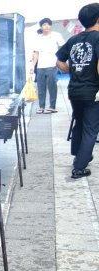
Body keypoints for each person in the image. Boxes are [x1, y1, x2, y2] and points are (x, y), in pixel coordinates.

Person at [56, 3, 99, 179]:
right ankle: (79, 167)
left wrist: (72, 70)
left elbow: (59, 60)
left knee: (79, 123)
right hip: (92, 91)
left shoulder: (74, 39)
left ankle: (79, 156)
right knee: (91, 129)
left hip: (74, 90)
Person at [31, 18, 65, 114]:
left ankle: (52, 106)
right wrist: (32, 66)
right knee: (41, 87)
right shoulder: (38, 38)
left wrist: (60, 60)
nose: (47, 26)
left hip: (52, 64)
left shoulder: (56, 35)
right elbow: (36, 53)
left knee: (52, 85)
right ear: (41, 26)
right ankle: (41, 106)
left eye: (49, 24)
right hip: (41, 65)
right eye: (44, 24)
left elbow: (63, 47)